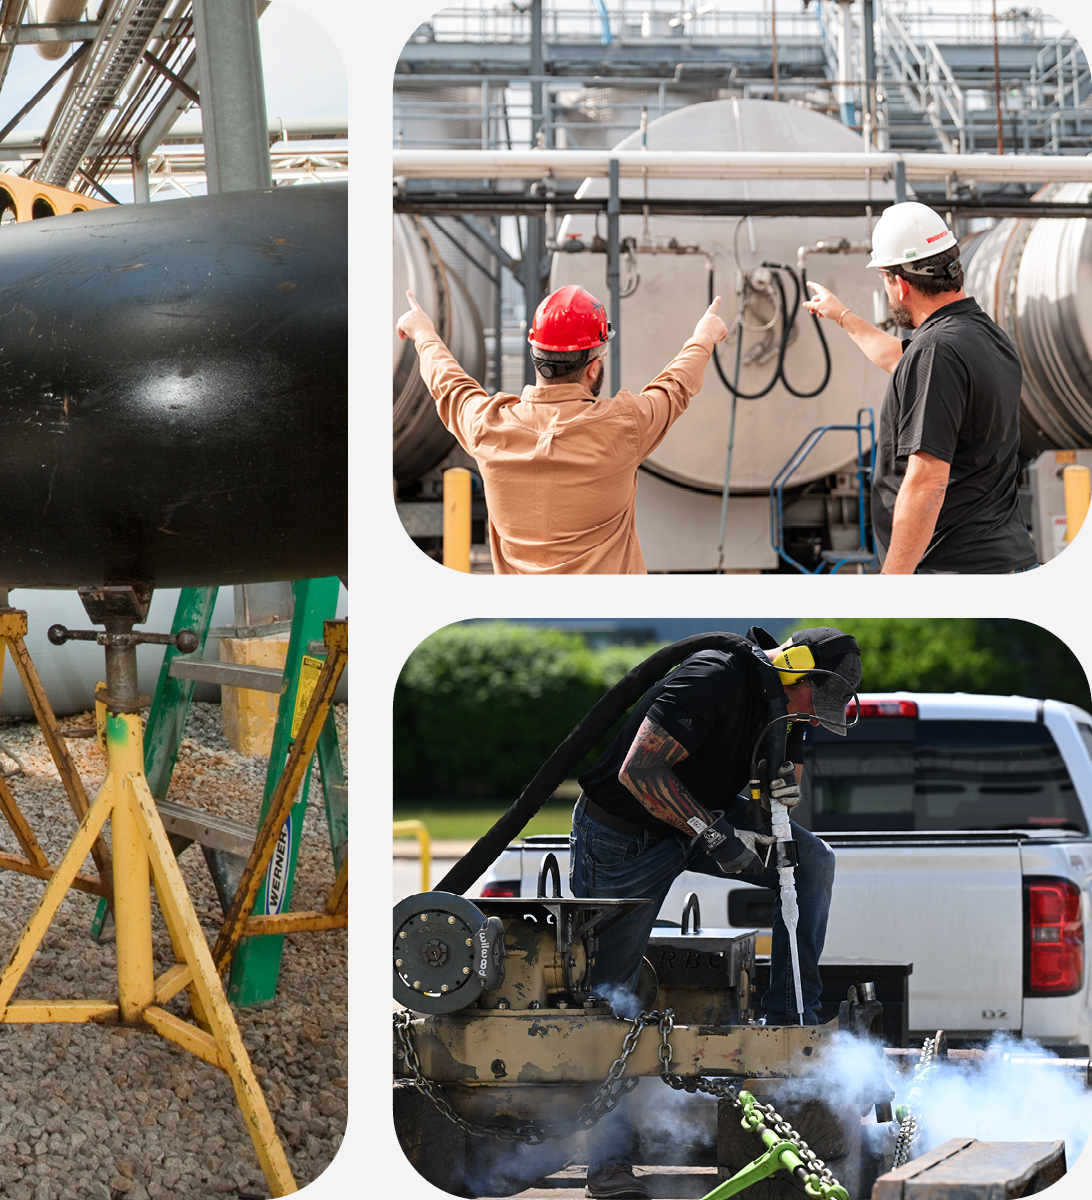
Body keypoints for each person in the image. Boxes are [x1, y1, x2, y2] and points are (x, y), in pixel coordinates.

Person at [568, 626, 861, 1200]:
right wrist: (715, 833)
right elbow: (640, 771)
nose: (810, 718)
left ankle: (787, 1019)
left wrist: (776, 792)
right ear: (795, 669)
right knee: (609, 995)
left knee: (812, 862)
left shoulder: (789, 711)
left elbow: (783, 773)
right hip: (625, 836)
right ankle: (607, 1162)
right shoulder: (714, 678)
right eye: (812, 703)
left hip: (705, 818)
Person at [394, 285, 728, 573]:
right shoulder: (625, 425)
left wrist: (423, 333)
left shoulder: (488, 425)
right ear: (594, 368)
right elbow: (674, 387)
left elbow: (449, 385)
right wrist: (704, 336)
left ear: (535, 357)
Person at [802, 201, 1036, 574]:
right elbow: (899, 358)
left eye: (884, 278)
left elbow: (927, 482)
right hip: (996, 558)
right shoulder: (983, 336)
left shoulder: (937, 352)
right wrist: (842, 316)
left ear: (901, 283)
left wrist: (893, 586)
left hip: (951, 570)